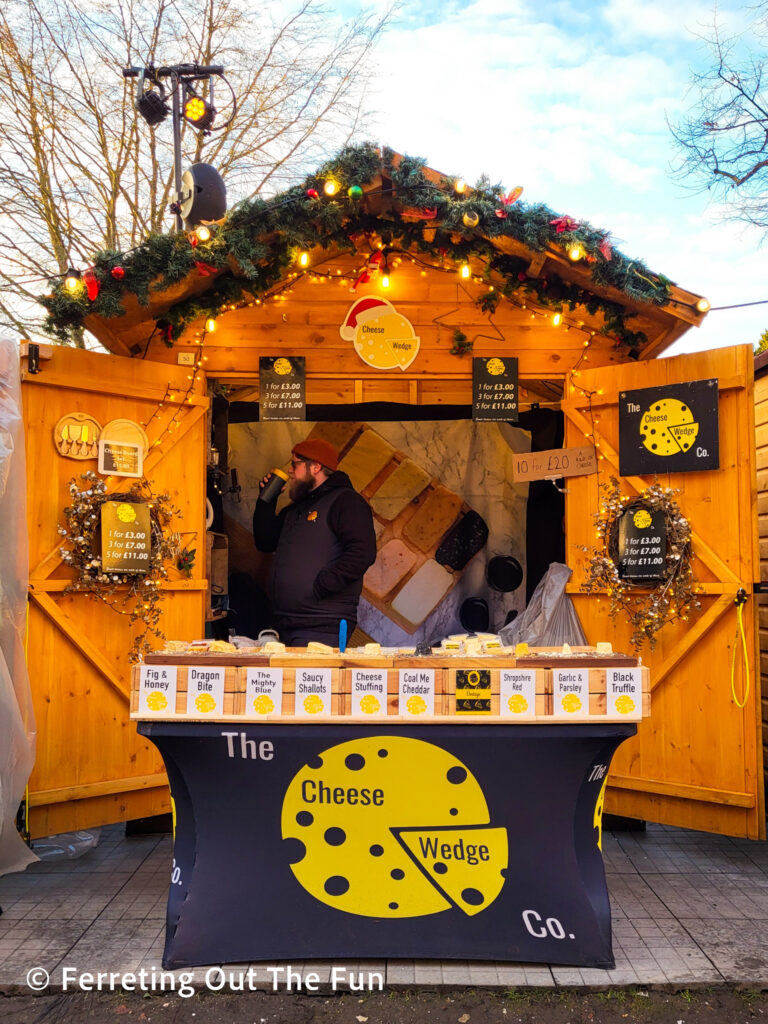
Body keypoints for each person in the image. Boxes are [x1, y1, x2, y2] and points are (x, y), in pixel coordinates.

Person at [252, 437, 376, 647]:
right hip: (286, 624)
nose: (290, 471)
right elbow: (265, 541)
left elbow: (362, 552)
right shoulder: (296, 509)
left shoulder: (346, 501)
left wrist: (321, 586)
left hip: (322, 624)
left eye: (295, 464)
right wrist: (266, 500)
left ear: (316, 466)